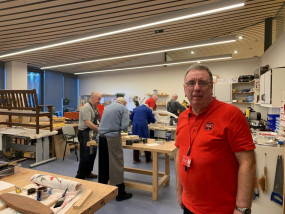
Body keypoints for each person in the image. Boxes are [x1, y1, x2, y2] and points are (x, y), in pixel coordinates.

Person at [175, 64, 256, 214]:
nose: (197, 88)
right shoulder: (182, 118)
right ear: (185, 88)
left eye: (203, 83)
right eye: (191, 83)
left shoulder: (232, 115)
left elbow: (247, 162)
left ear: (211, 87)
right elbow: (179, 155)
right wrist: (179, 191)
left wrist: (242, 207)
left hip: (221, 209)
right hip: (188, 204)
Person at [98, 97, 132, 201]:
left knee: (104, 163)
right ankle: (120, 193)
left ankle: (102, 190)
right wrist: (125, 130)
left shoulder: (107, 107)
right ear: (124, 103)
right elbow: (125, 125)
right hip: (112, 137)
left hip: (101, 137)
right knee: (117, 163)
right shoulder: (123, 109)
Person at [76, 91, 102, 180]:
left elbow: (98, 120)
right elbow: (88, 123)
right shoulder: (86, 108)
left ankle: (88, 172)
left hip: (92, 133)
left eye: (100, 99)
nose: (99, 101)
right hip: (85, 133)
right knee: (85, 155)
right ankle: (80, 175)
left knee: (92, 154)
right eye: (98, 99)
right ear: (92, 98)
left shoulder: (95, 108)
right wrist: (100, 130)